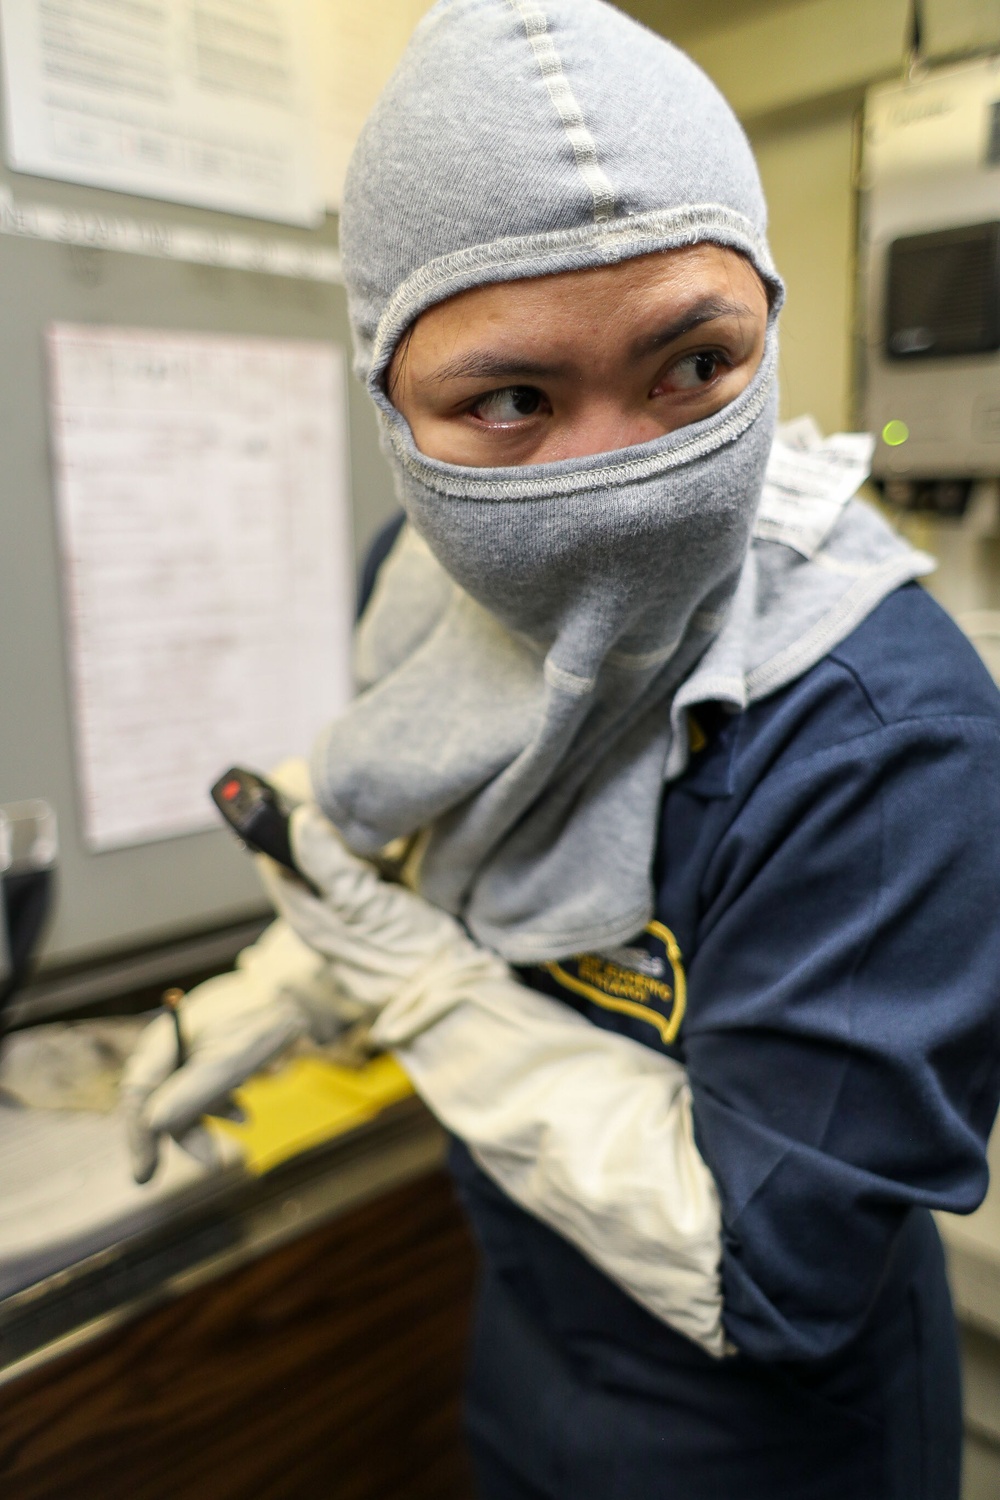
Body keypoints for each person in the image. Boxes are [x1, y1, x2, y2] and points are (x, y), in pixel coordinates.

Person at [123, 3, 1000, 1495]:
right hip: (528, 1354)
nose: (622, 486)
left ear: (769, 321)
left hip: (768, 1444)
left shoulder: (878, 743)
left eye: (690, 366)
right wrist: (281, 990)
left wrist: (416, 989)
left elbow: (775, 1267)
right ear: (391, 401)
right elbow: (436, 846)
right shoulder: (424, 587)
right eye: (512, 402)